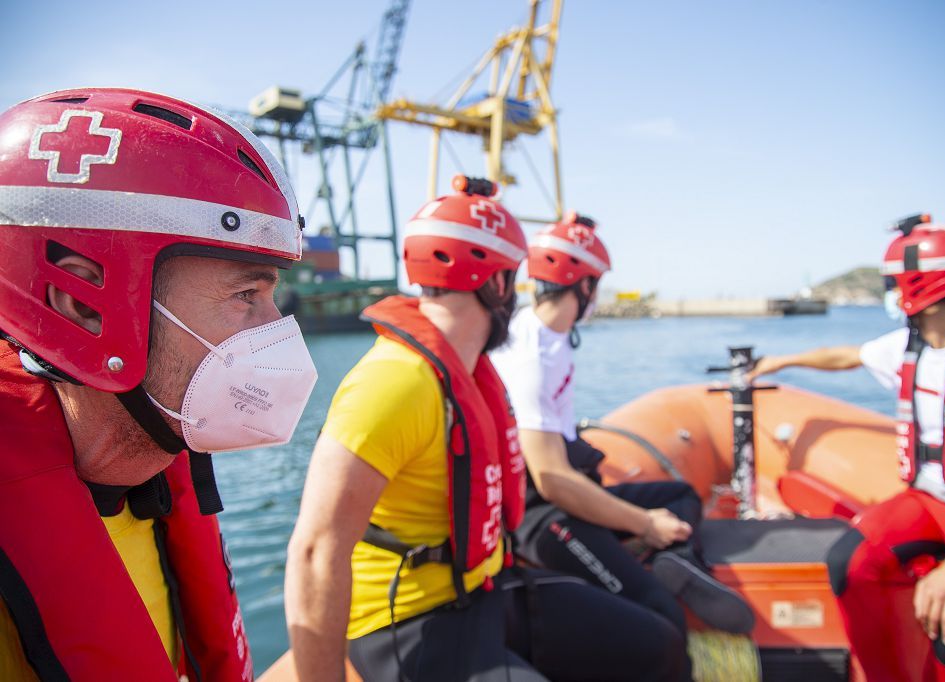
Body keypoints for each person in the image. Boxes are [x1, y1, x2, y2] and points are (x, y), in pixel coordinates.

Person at [285, 177, 688, 682]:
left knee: (657, 645)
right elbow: (316, 551)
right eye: (515, 280)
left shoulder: (471, 370)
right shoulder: (394, 383)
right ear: (498, 284)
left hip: (483, 588)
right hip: (408, 619)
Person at [0, 88, 318, 681]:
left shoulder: (158, 483)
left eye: (272, 295)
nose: (279, 332)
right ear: (82, 304)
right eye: (246, 296)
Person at [748, 214, 945, 680]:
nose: (892, 293)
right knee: (849, 564)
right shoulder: (909, 346)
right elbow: (844, 356)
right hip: (931, 502)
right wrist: (781, 360)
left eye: (895, 282)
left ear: (922, 286)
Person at [490, 213, 754, 642]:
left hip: (566, 494)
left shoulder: (545, 335)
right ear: (583, 284)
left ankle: (680, 564)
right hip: (540, 518)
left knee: (681, 494)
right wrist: (643, 523)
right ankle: (666, 566)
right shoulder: (531, 359)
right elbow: (552, 480)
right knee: (658, 610)